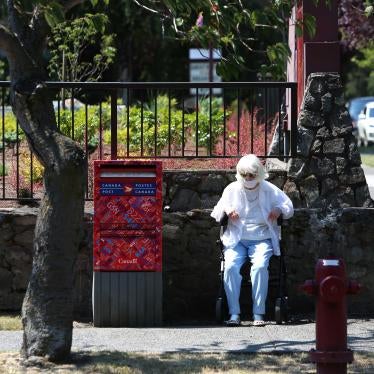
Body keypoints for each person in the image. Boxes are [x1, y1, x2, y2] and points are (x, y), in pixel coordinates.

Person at [211, 154, 294, 326]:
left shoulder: (269, 189)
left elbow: (289, 206)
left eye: (251, 175)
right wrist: (227, 209)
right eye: (244, 175)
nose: (248, 179)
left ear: (259, 174)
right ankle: (234, 314)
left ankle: (258, 314)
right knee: (231, 267)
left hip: (262, 238)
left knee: (260, 266)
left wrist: (278, 209)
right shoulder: (232, 189)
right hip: (237, 239)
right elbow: (217, 210)